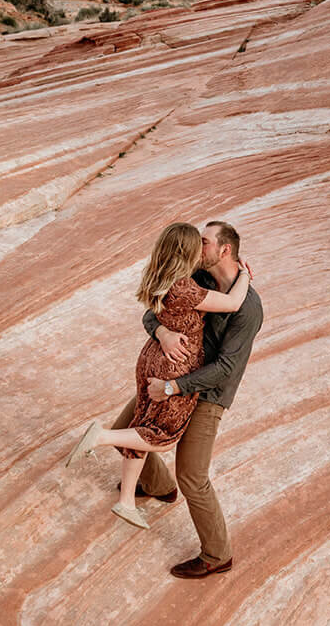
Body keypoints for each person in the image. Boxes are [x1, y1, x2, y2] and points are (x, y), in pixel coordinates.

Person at [66, 222, 250, 529]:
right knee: (159, 436)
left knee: (141, 422)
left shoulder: (165, 276)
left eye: (205, 242)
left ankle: (127, 501)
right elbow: (232, 303)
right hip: (172, 368)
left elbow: (153, 314)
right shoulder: (189, 287)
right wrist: (245, 274)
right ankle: (102, 437)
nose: (201, 248)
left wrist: (162, 332)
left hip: (151, 357)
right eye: (198, 243)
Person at [110, 219, 263, 578]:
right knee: (123, 429)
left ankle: (216, 555)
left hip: (206, 394)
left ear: (224, 250)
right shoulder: (198, 279)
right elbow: (154, 311)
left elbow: (226, 367)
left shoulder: (248, 309)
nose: (198, 246)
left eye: (205, 242)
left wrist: (173, 388)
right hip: (172, 379)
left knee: (193, 476)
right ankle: (159, 487)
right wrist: (162, 332)